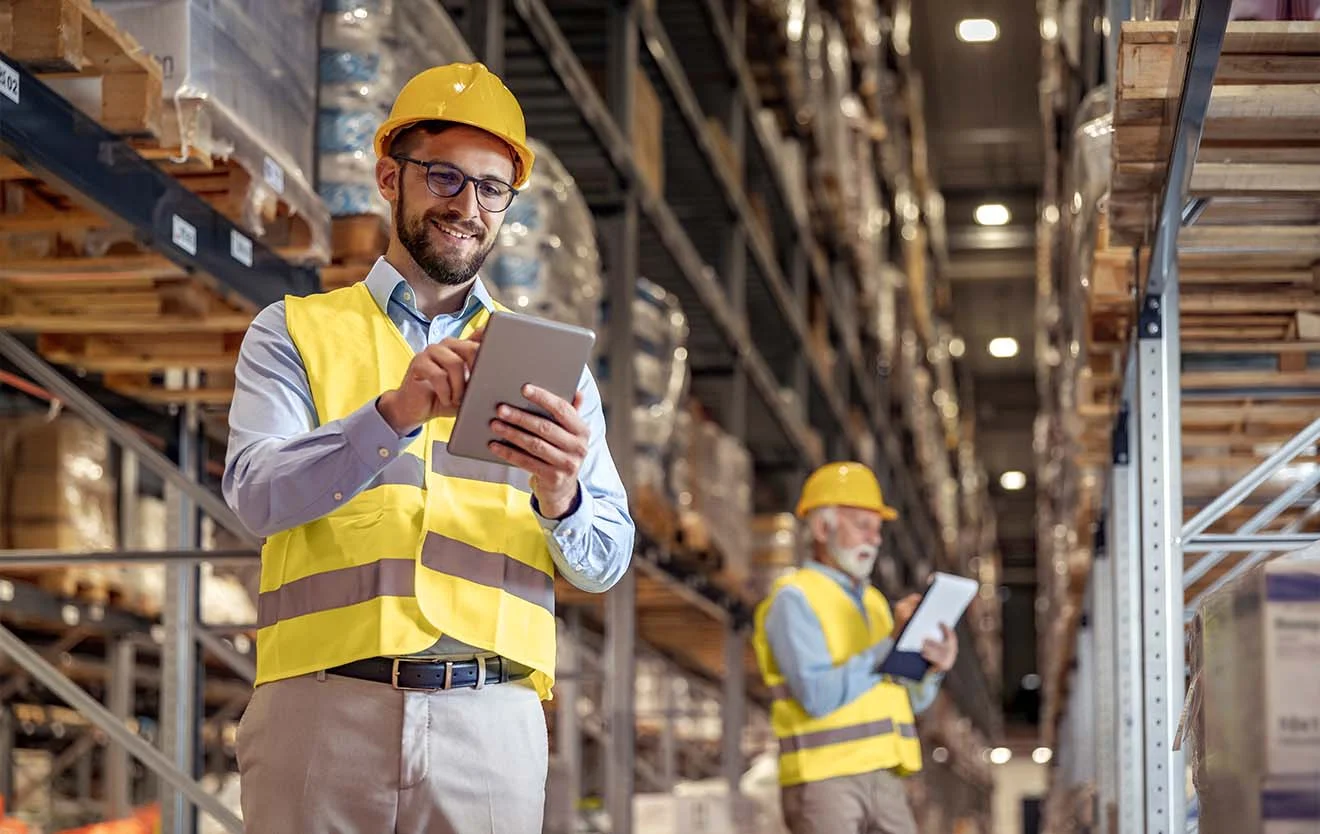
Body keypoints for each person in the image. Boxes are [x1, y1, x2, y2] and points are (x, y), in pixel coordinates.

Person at [221, 62, 635, 834]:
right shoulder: (295, 332)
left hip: (489, 723)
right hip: (321, 710)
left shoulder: (555, 367)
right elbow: (254, 495)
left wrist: (563, 496)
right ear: (389, 177)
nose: (466, 205)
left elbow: (606, 558)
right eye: (444, 176)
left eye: (490, 188)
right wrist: (392, 414)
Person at [752, 461, 958, 834]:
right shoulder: (795, 599)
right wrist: (890, 644)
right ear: (821, 526)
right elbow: (816, 696)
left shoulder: (878, 604)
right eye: (863, 525)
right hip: (825, 783)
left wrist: (933, 669)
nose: (875, 539)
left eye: (878, 529)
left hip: (886, 780)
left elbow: (905, 700)